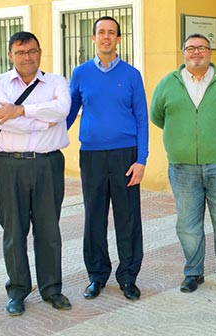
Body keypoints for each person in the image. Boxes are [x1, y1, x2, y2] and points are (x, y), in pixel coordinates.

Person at [151, 33, 216, 295]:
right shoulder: (167, 84)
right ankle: (193, 273)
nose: (197, 52)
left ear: (210, 52)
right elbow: (157, 116)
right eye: (191, 48)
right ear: (183, 52)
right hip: (182, 168)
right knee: (188, 224)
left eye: (202, 48)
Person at [0, 31, 72, 316]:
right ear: (10, 55)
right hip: (9, 165)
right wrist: (40, 121)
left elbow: (62, 110)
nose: (27, 57)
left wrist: (20, 110)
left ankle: (52, 289)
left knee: (49, 229)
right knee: (14, 230)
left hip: (48, 164)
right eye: (20, 52)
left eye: (32, 51)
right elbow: (0, 120)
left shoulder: (57, 81)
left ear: (40, 52)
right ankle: (18, 291)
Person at [67, 16, 148, 301]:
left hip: (125, 156)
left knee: (128, 219)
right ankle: (97, 275)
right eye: (101, 32)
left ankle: (128, 276)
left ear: (118, 39)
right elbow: (67, 113)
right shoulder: (80, 74)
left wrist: (142, 159)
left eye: (111, 33)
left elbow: (142, 118)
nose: (106, 37)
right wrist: (44, 140)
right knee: (94, 218)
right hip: (91, 156)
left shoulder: (131, 74)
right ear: (93, 38)